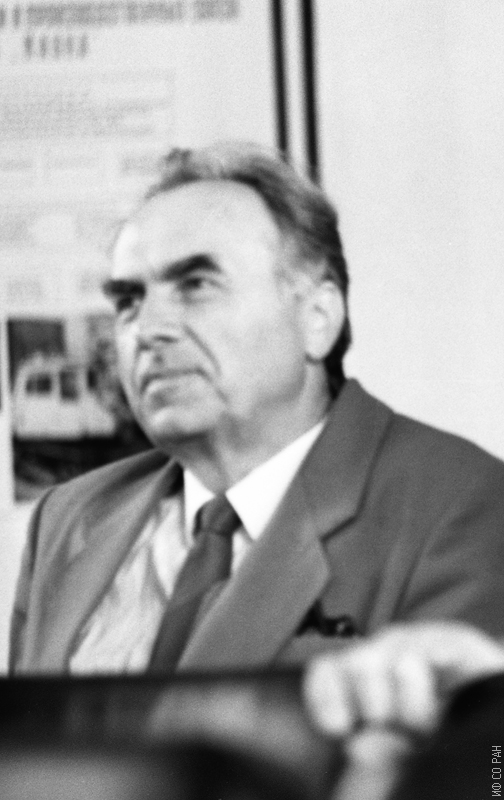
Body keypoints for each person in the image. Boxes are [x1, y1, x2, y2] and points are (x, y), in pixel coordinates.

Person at [9, 141, 504, 676]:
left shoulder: (462, 504)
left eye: (196, 285)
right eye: (129, 300)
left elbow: (474, 732)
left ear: (318, 318)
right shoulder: (68, 517)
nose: (147, 330)